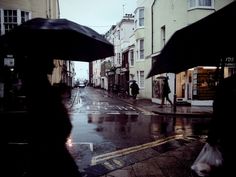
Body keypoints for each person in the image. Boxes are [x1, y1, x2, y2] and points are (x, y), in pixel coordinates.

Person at [19, 57, 81, 177]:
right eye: (49, 61)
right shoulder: (41, 88)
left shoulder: (38, 86)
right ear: (40, 64)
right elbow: (56, 120)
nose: (53, 65)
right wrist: (55, 95)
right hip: (51, 151)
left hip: (46, 149)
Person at [207, 73, 236, 176]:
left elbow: (218, 114)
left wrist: (212, 138)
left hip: (229, 134)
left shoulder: (226, 84)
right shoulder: (226, 84)